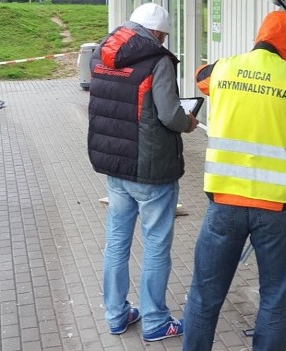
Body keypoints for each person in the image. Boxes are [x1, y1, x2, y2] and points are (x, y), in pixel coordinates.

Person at [182, 10, 286, 351]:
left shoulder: (222, 69)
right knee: (274, 299)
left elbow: (199, 76)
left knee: (205, 295)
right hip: (275, 208)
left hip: (224, 203)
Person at [87, 2, 198, 342]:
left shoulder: (100, 54)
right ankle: (154, 322)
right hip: (150, 169)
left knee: (116, 242)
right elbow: (169, 114)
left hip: (114, 165)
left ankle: (116, 315)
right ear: (158, 33)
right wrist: (189, 122)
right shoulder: (157, 61)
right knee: (155, 246)